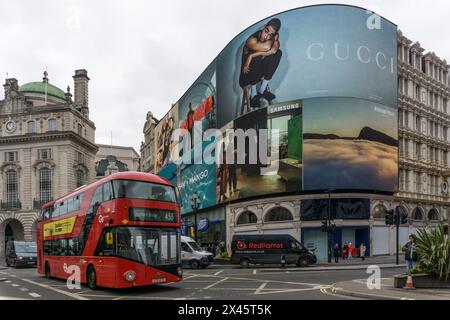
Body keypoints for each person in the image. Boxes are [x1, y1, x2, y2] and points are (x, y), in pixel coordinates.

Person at [239, 18, 283, 109]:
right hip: (246, 75)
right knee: (257, 57)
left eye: (271, 34)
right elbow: (267, 47)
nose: (267, 36)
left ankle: (262, 90)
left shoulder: (272, 37)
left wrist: (253, 55)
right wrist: (251, 56)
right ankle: (253, 93)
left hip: (258, 72)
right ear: (264, 27)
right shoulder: (251, 40)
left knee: (278, 53)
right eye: (266, 31)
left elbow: (274, 50)